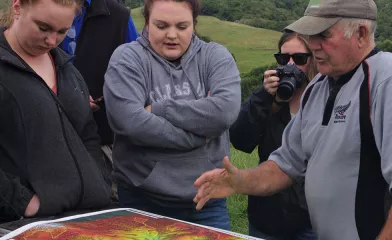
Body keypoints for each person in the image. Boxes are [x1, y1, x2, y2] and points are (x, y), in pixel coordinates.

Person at [193, 0, 392, 239]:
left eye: (323, 35)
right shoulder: (319, 87)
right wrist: (240, 181)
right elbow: (285, 165)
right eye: (311, 35)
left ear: (361, 33)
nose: (313, 45)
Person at [103, 0, 240, 230]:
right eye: (162, 25)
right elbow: (129, 121)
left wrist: (159, 109)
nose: (172, 35)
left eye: (182, 26)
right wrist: (198, 135)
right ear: (146, 23)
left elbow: (224, 111)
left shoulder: (215, 57)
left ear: (194, 25)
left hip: (206, 202)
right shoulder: (127, 59)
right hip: (141, 201)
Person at [0, 0, 111, 229]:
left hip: (86, 218)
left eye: (62, 31)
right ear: (18, 7)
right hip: (21, 225)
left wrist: (99, 182)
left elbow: (87, 134)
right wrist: (23, 203)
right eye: (43, 27)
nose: (51, 41)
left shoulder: (68, 69)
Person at [229, 31, 317, 239]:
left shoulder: (322, 98)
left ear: (313, 60)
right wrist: (264, 97)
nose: (291, 66)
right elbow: (241, 140)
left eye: (299, 59)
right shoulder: (269, 100)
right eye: (283, 59)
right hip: (268, 216)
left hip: (310, 219)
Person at [59, 0, 138, 166]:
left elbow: (137, 73)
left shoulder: (119, 17)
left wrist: (105, 98)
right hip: (44, 137)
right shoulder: (35, 9)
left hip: (101, 139)